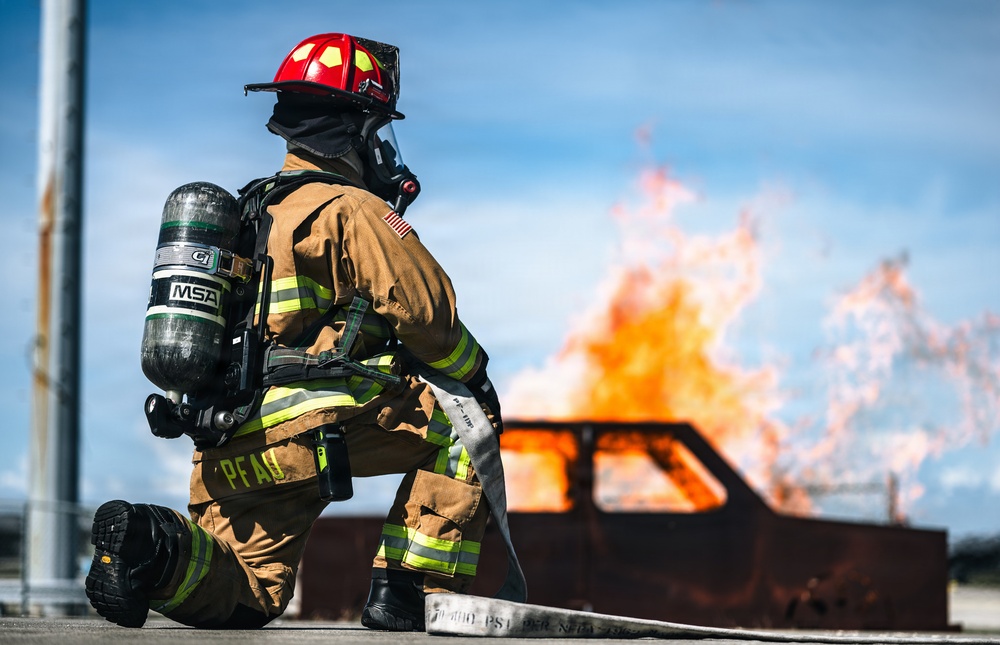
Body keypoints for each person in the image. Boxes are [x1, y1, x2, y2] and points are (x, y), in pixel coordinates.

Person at [85, 32, 506, 632]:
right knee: (466, 431)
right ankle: (409, 594)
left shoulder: (252, 212)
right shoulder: (349, 209)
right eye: (376, 130)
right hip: (312, 424)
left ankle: (148, 548)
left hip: (227, 436)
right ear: (354, 130)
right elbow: (428, 313)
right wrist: (475, 377)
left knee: (250, 592)